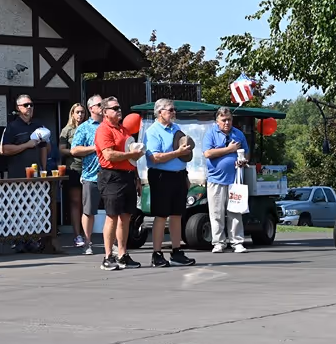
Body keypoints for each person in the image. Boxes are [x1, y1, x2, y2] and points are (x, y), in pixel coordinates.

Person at [94, 96, 144, 270]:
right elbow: (109, 155)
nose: (118, 110)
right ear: (105, 113)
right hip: (111, 176)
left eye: (119, 107)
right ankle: (108, 256)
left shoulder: (123, 130)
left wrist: (137, 177)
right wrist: (132, 156)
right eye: (114, 108)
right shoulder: (103, 130)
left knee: (126, 217)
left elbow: (131, 155)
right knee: (112, 216)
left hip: (128, 175)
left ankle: (122, 255)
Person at [144, 99, 196, 267]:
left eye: (174, 110)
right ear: (160, 112)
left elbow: (182, 155)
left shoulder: (176, 129)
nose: (174, 112)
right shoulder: (152, 131)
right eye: (171, 110)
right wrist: (177, 153)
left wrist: (185, 176)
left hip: (178, 175)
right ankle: (156, 254)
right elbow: (154, 157)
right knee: (161, 215)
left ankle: (176, 251)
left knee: (177, 215)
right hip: (161, 176)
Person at [202, 107, 250, 253]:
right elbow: (208, 153)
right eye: (223, 120)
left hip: (235, 179)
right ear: (217, 121)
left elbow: (247, 154)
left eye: (229, 119)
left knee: (236, 211)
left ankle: (237, 242)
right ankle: (219, 243)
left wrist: (243, 160)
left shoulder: (238, 134)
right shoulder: (210, 133)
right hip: (215, 179)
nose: (227, 123)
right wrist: (229, 150)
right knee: (216, 212)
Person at [70, 95, 104, 255]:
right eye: (99, 104)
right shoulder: (84, 128)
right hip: (91, 175)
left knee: (114, 212)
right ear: (91, 109)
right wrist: (95, 147)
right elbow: (74, 150)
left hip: (111, 175)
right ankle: (87, 242)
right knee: (89, 211)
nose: (103, 106)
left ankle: (116, 243)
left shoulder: (110, 125)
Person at [0, 95, 50, 179]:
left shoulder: (38, 126)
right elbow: (4, 150)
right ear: (18, 108)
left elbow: (44, 148)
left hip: (36, 175)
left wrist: (43, 170)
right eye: (26, 105)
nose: (29, 107)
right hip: (18, 175)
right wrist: (26, 145)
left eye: (31, 105)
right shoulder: (12, 127)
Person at [59, 103, 86, 247]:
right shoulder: (67, 130)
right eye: (77, 112)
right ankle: (77, 235)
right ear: (72, 114)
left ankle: (87, 233)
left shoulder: (89, 127)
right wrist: (74, 151)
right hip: (73, 167)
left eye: (82, 112)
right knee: (75, 202)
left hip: (89, 168)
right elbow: (61, 149)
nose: (80, 115)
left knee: (86, 203)